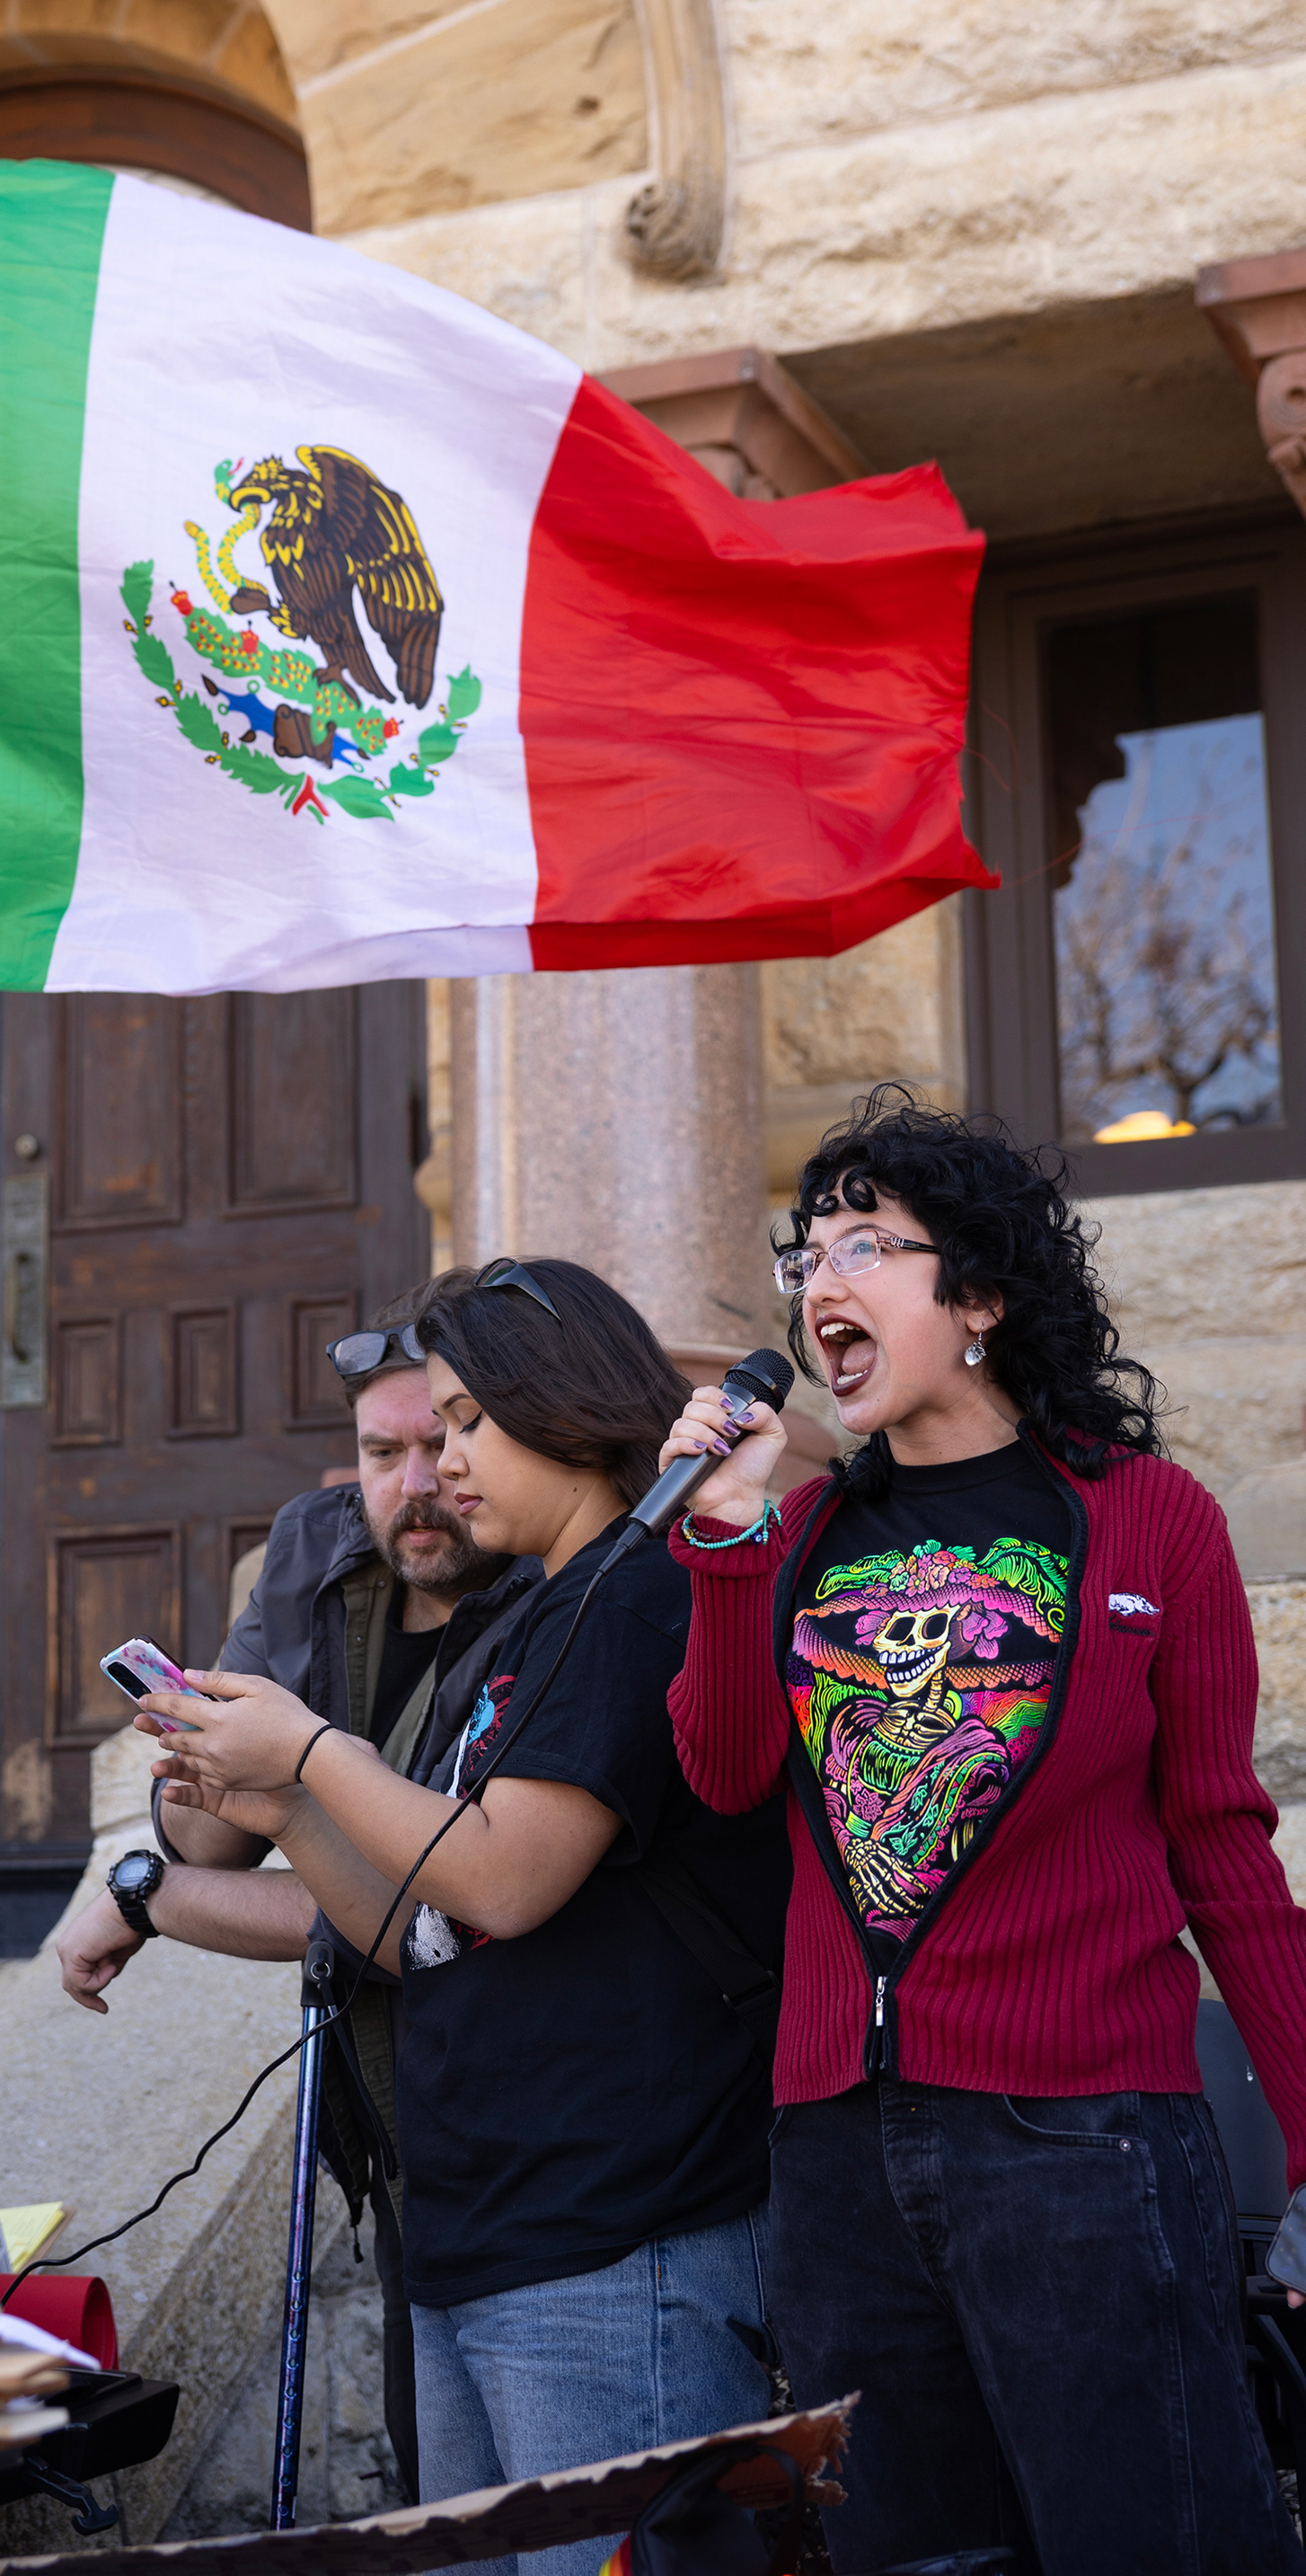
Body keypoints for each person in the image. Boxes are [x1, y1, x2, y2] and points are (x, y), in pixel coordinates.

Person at [660, 1084, 1306, 2575]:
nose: (820, 1280)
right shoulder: (802, 1531)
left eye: (867, 1245)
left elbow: (1224, 1847)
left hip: (1080, 2136)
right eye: (804, 1253)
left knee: (1154, 2543)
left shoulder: (1152, 1522)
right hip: (837, 2154)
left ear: (984, 1298)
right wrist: (726, 1538)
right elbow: (728, 1771)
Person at [138, 1257, 792, 2576]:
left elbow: (504, 1875)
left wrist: (315, 1749)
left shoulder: (643, 1593)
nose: (443, 1465)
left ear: (564, 1406)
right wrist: (274, 1805)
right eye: (433, 1433)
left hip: (616, 2250)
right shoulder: (532, 1618)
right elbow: (415, 1923)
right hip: (474, 2235)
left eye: (468, 1425)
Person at [56, 1285, 532, 2499]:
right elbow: (215, 1844)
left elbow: (408, 1912)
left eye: (445, 1441)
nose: (416, 1481)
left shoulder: (551, 1593)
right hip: (408, 2125)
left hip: (545, 2125)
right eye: (384, 1452)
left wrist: (153, 1891)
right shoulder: (318, 1557)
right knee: (450, 2499)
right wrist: (192, 1764)